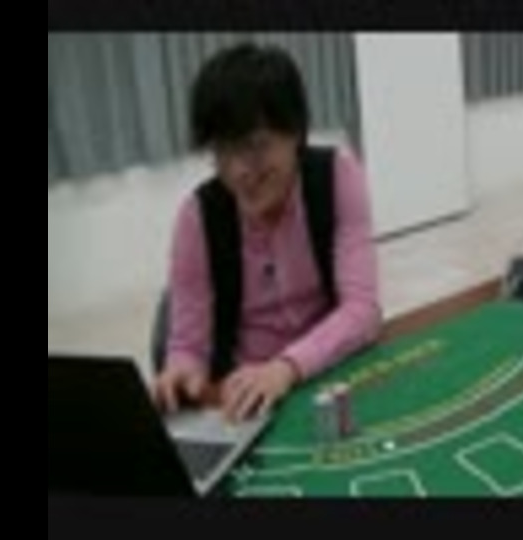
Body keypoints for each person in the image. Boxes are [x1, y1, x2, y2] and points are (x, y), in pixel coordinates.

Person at [153, 43, 381, 422]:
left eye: (255, 147)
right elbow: (187, 347)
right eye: (222, 151)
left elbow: (363, 311)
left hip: (328, 376)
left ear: (296, 133)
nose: (238, 170)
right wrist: (182, 371)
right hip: (245, 399)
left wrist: (285, 368)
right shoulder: (197, 218)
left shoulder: (337, 177)